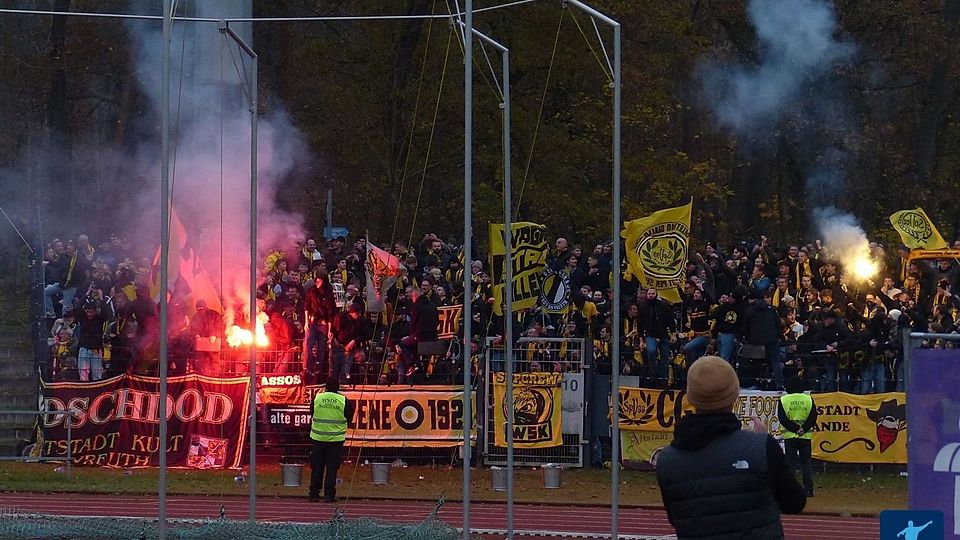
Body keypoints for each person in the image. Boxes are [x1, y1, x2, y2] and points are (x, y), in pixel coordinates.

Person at [656, 356, 806, 539]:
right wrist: (766, 447)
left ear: (691, 396)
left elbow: (677, 517)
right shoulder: (761, 447)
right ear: (734, 394)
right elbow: (794, 502)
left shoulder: (667, 460)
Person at [308, 378, 355, 503]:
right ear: (338, 387)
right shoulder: (343, 400)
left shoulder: (317, 398)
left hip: (318, 438)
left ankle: (314, 494)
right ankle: (329, 495)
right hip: (336, 439)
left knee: (317, 467)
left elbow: (311, 413)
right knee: (332, 468)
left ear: (326, 387)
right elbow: (349, 416)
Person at [778, 376, 818, 497]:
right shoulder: (808, 399)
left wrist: (795, 429)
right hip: (805, 436)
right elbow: (813, 416)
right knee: (806, 462)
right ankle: (809, 489)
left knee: (791, 463)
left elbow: (782, 418)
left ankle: (791, 489)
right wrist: (803, 429)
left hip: (790, 435)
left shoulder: (784, 400)